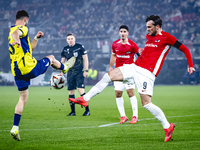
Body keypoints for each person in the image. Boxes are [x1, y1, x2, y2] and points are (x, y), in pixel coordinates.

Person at [69, 15, 195, 142]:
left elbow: (185, 49)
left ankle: (167, 126)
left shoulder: (167, 37)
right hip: (134, 67)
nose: (147, 30)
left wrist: (190, 65)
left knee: (146, 104)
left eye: (149, 27)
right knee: (109, 76)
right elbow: (149, 51)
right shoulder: (148, 36)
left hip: (147, 74)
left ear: (157, 26)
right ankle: (85, 99)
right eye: (146, 27)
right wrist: (142, 51)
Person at [9, 10, 75, 141]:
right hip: (29, 68)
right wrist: (16, 39)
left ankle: (15, 127)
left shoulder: (12, 32)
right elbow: (16, 34)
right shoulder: (21, 29)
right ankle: (65, 67)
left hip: (17, 72)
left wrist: (36, 39)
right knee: (50, 58)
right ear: (25, 20)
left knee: (22, 99)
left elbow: (29, 48)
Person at [109, 25, 140, 124]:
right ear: (119, 33)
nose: (122, 33)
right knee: (118, 94)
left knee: (130, 93)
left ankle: (135, 116)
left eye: (124, 31)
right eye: (121, 31)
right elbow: (113, 55)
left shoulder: (132, 45)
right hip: (118, 72)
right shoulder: (115, 44)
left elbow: (140, 56)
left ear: (127, 33)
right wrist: (111, 67)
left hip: (129, 72)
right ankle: (123, 116)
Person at [60, 33, 90, 116]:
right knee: (71, 92)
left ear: (74, 39)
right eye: (68, 39)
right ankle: (73, 112)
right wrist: (61, 71)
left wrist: (86, 70)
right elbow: (63, 61)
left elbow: (86, 59)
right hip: (70, 72)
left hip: (79, 72)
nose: (70, 40)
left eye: (71, 38)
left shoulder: (80, 47)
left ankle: (87, 110)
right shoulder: (65, 49)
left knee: (81, 91)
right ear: (66, 40)